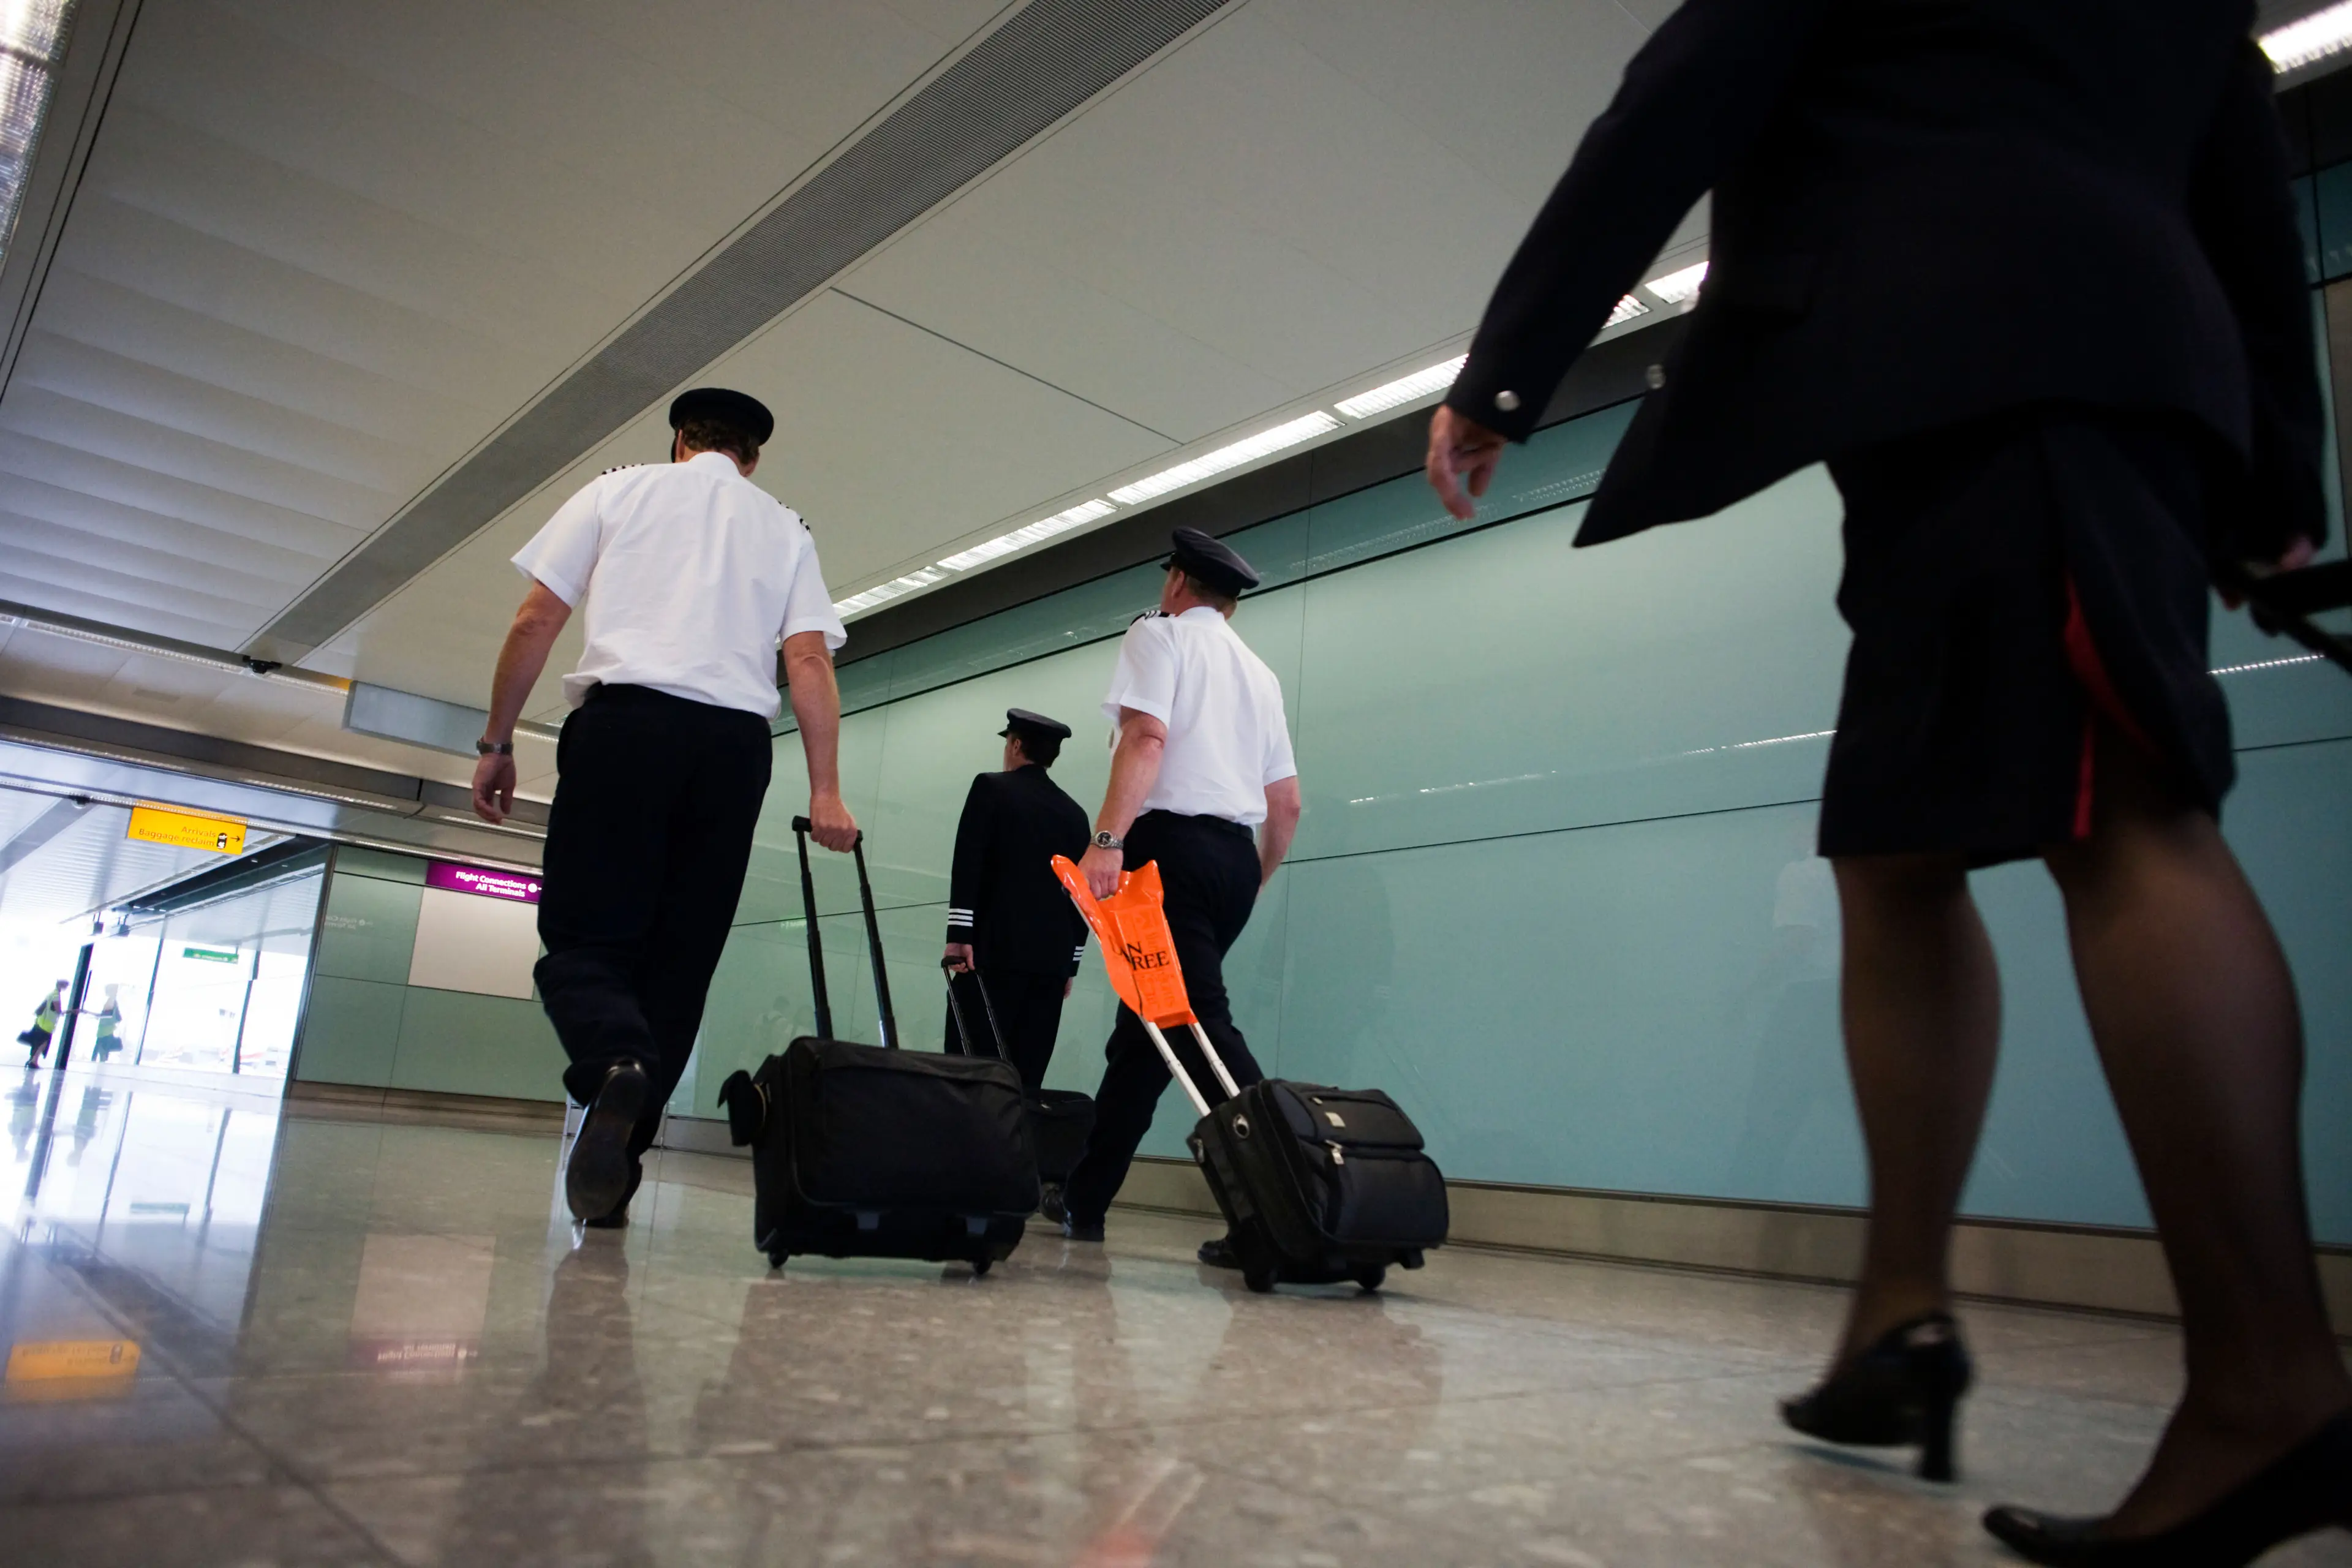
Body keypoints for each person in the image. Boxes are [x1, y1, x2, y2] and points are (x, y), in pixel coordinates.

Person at [1424, 2, 2350, 1560]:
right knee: (1894, 849)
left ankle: (2270, 1380)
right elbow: (2243, 173)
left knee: (2127, 814)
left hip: (1989, 351)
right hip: (2083, 362)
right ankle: (1893, 1319)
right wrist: (2274, 482)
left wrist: (1508, 371)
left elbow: (1690, 83)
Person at [473, 386, 857, 1229]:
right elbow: (808, 661)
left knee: (584, 936)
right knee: (680, 960)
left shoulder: (616, 490)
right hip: (732, 750)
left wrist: (498, 743)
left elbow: (537, 618)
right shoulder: (786, 528)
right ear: (752, 458)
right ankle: (620, 1164)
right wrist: (825, 788)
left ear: (682, 440)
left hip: (627, 728)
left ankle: (614, 1062)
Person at [1060, 529, 1303, 1265]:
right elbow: (1287, 803)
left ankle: (1296, 1197)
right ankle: (1083, 1197)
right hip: (1233, 860)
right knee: (1146, 1034)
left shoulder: (1156, 635)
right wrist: (1249, 881)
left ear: (1175, 584)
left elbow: (1146, 739)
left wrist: (1107, 841)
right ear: (1227, 603)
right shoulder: (1260, 674)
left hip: (1171, 855)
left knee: (1196, 1028)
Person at [941, 709, 1091, 1090]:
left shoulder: (991, 788)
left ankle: (962, 1149)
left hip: (991, 957)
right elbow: (1080, 896)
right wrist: (1070, 964)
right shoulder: (1077, 815)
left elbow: (969, 862)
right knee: (1025, 1078)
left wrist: (960, 933)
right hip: (1050, 967)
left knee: (969, 1072)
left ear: (1016, 744)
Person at [17, 981, 62, 1069]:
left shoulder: (51, 994)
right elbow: (58, 1011)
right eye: (65, 985)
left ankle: (32, 1060)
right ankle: (34, 1061)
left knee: (37, 1042)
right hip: (47, 1025)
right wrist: (71, 1011)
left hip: (40, 1021)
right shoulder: (56, 995)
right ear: (60, 985)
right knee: (43, 1042)